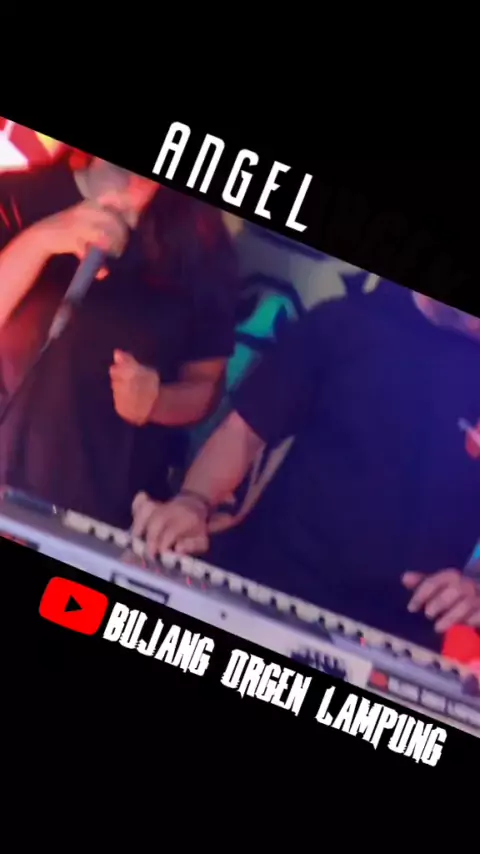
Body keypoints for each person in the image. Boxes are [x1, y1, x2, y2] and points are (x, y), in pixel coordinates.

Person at [131, 281, 480, 650]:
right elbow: (245, 432)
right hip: (269, 594)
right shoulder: (346, 322)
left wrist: (475, 590)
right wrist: (193, 501)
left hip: (395, 642)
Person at [0, 152, 239, 528]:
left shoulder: (203, 240)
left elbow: (206, 386)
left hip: (113, 515)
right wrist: (41, 239)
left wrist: (157, 403)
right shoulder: (15, 196)